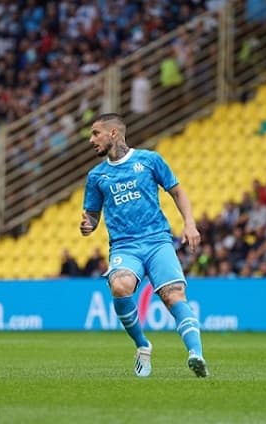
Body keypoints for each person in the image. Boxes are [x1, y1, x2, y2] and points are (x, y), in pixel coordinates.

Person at [80, 113, 208, 378]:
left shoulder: (149, 160)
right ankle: (142, 345)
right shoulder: (96, 176)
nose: (91, 140)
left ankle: (196, 354)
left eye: (96, 133)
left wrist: (190, 223)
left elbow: (177, 191)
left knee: (173, 295)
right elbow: (92, 215)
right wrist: (88, 225)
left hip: (158, 240)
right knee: (120, 286)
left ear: (113, 133)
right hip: (124, 246)